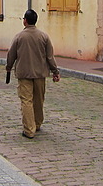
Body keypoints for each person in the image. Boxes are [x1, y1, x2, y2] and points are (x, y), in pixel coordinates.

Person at [6, 9, 61, 139]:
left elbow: (11, 54)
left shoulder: (19, 37)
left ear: (25, 20)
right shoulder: (44, 36)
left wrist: (8, 67)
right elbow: (50, 57)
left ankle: (29, 129)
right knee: (38, 100)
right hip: (40, 73)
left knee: (26, 101)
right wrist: (55, 71)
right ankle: (37, 123)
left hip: (24, 73)